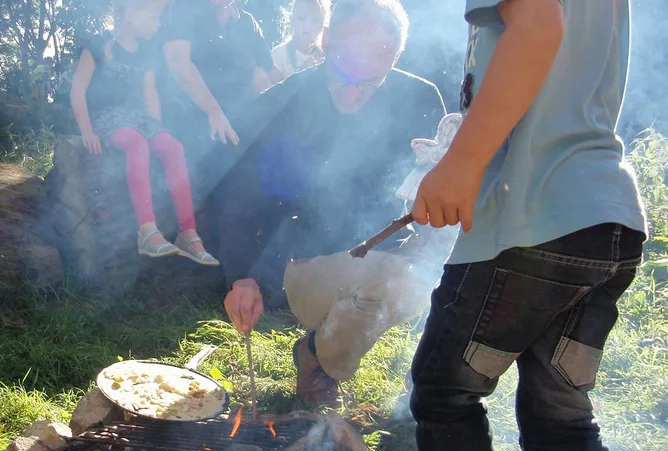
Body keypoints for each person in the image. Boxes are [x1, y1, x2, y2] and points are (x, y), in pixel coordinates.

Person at [407, 0, 648, 451]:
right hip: (603, 215)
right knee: (561, 421)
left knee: (446, 391)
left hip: (530, 214)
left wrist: (463, 163)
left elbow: (537, 24)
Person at [217, 0, 449, 408]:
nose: (367, 62)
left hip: (390, 249)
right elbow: (239, 195)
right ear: (327, 40)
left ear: (398, 52)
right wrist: (243, 276)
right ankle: (316, 359)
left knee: (427, 273)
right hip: (306, 265)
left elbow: (435, 179)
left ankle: (431, 384)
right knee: (389, 283)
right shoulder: (284, 102)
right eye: (355, 45)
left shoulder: (419, 97)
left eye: (383, 51)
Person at [70, 0, 219, 266]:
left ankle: (189, 233)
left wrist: (158, 131)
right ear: (129, 14)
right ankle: (147, 232)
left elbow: (150, 94)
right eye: (153, 17)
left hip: (136, 117)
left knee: (173, 147)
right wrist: (86, 130)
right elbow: (78, 88)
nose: (158, 23)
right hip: (106, 116)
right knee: (136, 144)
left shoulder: (147, 50)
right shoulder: (99, 45)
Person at [156, 0, 281, 154]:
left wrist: (267, 118)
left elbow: (262, 75)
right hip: (191, 126)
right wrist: (214, 112)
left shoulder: (246, 22)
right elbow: (179, 64)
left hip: (239, 125)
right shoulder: (182, 10)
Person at [270, 0, 330, 81]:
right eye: (301, 18)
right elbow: (273, 93)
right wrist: (303, 74)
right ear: (292, 20)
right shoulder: (279, 55)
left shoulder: (326, 57)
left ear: (322, 24)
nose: (307, 26)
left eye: (314, 20)